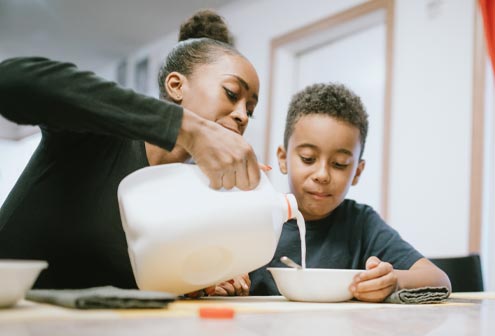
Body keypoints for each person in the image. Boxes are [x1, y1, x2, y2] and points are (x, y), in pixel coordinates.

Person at [0, 10, 259, 292]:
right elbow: (11, 81)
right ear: (176, 86)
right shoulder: (98, 135)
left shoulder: (183, 198)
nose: (242, 116)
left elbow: (137, 284)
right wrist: (184, 126)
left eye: (250, 109)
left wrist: (200, 281)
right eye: (232, 94)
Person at [249, 83, 451, 302]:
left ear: (357, 172)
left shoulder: (361, 224)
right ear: (283, 158)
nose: (322, 175)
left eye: (339, 164)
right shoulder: (254, 218)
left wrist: (393, 280)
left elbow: (439, 279)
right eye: (308, 158)